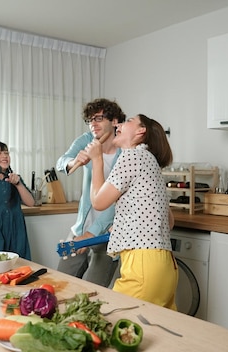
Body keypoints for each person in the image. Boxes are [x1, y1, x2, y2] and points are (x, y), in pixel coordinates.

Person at [85, 114, 177, 309]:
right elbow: (168, 222)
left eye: (127, 121)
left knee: (114, 321)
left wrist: (97, 159)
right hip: (164, 265)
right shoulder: (149, 161)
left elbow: (99, 202)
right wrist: (123, 225)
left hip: (143, 265)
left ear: (140, 131)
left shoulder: (133, 156)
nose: (118, 124)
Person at [55, 98, 126, 287]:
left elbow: (117, 201)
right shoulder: (87, 140)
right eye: (90, 120)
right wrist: (73, 161)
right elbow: (62, 162)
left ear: (114, 121)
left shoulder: (126, 153)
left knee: (94, 290)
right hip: (82, 226)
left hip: (109, 231)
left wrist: (91, 234)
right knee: (61, 280)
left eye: (99, 118)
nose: (93, 124)